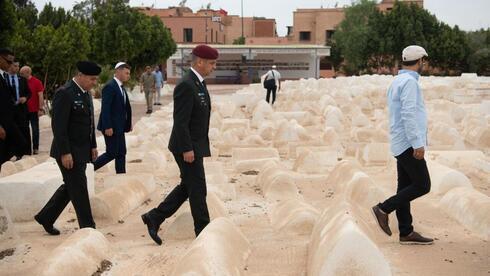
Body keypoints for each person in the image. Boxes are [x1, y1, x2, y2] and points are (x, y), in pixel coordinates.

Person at [141, 44, 218, 245]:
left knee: (188, 186)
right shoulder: (186, 84)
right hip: (187, 147)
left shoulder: (198, 83)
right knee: (198, 188)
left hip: (194, 145)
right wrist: (187, 149)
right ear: (199, 62)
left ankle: (154, 217)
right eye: (211, 63)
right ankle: (203, 231)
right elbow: (181, 121)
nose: (214, 67)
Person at [371, 45, 433, 245]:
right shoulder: (409, 83)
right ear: (420, 61)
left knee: (405, 186)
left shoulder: (397, 80)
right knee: (423, 185)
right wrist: (418, 144)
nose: (424, 64)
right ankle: (383, 208)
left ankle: (406, 231)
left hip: (400, 141)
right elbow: (408, 114)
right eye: (424, 60)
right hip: (408, 143)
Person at [34, 61, 101, 235]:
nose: (94, 82)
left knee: (71, 186)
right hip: (68, 151)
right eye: (92, 79)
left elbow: (89, 123)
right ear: (81, 76)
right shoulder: (65, 93)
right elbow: (59, 126)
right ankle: (88, 228)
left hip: (82, 149)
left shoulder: (85, 93)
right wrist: (65, 152)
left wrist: (93, 145)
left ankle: (46, 217)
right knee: (78, 188)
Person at [93, 62, 132, 174]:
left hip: (119, 127)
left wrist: (128, 124)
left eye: (129, 74)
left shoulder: (121, 87)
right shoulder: (110, 86)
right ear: (118, 71)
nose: (128, 76)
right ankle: (88, 170)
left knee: (121, 152)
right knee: (111, 153)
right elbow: (105, 108)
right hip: (111, 127)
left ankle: (121, 176)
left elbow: (124, 108)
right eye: (126, 73)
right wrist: (108, 126)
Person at [0, 48, 25, 168]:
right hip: (2, 125)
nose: (10, 65)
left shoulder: (3, 76)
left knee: (20, 143)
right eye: (8, 62)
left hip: (9, 121)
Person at [19, 66, 45, 155]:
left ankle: (35, 148)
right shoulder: (21, 82)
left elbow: (40, 96)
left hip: (34, 110)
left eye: (22, 73)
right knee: (24, 130)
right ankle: (26, 149)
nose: (20, 75)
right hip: (24, 110)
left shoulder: (37, 82)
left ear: (28, 73)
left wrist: (40, 108)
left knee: (35, 130)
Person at [8, 61, 31, 157]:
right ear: (9, 66)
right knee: (12, 131)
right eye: (15, 66)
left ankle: (26, 152)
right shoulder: (4, 79)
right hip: (9, 109)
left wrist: (25, 98)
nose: (17, 68)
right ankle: (13, 153)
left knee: (24, 129)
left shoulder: (22, 79)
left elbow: (29, 93)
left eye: (18, 66)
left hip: (21, 109)